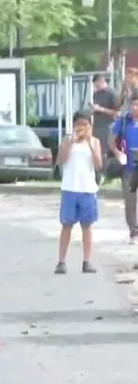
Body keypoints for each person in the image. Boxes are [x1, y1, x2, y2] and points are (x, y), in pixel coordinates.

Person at [55, 111, 102, 274]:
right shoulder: (68, 140)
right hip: (70, 188)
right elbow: (60, 160)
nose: (81, 128)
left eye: (85, 125)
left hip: (87, 189)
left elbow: (98, 165)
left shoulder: (95, 141)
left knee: (87, 226)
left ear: (90, 126)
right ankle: (61, 261)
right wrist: (71, 142)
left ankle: (87, 261)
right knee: (66, 225)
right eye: (78, 125)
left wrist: (89, 142)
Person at [110, 97, 138, 243]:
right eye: (133, 104)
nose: (135, 107)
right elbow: (111, 140)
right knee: (130, 202)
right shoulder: (124, 121)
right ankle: (134, 232)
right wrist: (117, 153)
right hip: (129, 168)